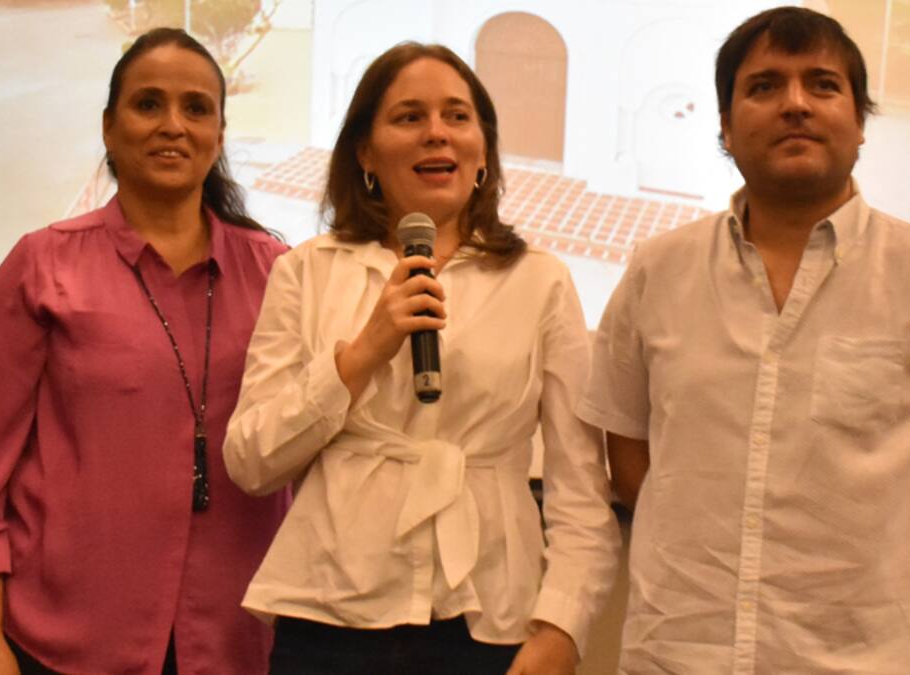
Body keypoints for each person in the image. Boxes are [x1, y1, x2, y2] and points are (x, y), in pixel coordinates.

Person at [578, 7, 910, 674]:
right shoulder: (657, 272)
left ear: (860, 122)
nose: (794, 103)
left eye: (822, 84)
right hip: (682, 654)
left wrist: (885, 590)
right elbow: (632, 461)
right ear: (725, 126)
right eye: (764, 86)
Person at [222, 42, 619, 675]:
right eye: (409, 117)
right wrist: (362, 354)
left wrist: (563, 629)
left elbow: (580, 486)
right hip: (331, 611)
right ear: (365, 152)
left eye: (457, 116)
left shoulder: (540, 280)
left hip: (492, 615)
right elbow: (251, 460)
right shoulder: (306, 271)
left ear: (483, 151)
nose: (437, 132)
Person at [0, 28, 290, 675]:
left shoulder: (281, 275)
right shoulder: (42, 266)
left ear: (220, 134)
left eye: (196, 108)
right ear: (109, 128)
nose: (173, 125)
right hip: (62, 644)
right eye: (148, 104)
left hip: (240, 641)